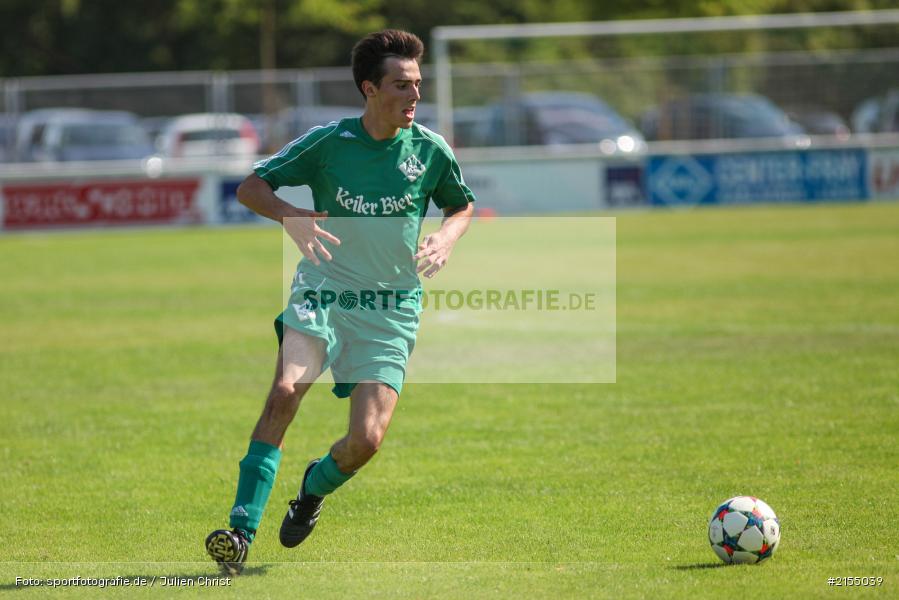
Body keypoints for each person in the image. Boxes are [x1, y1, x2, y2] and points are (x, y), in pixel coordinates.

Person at [205, 29, 476, 575]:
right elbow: (251, 187)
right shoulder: (328, 143)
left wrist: (446, 237)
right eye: (402, 85)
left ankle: (310, 490)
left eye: (418, 84)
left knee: (366, 441)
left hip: (391, 307)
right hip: (325, 291)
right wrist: (293, 216)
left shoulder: (429, 149)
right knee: (285, 391)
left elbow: (461, 206)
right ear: (369, 88)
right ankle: (240, 529)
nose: (414, 95)